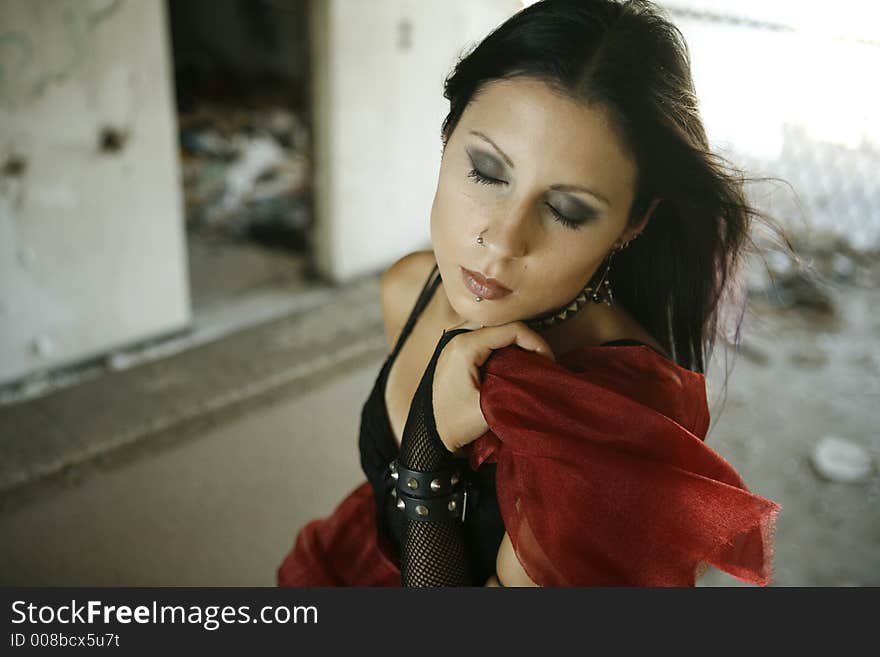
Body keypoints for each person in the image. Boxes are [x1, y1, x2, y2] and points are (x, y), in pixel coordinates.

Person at [277, 0, 784, 587]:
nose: (502, 240)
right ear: (447, 133)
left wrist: (426, 453)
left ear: (633, 222)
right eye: (488, 172)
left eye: (566, 210)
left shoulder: (616, 410)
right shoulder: (409, 285)